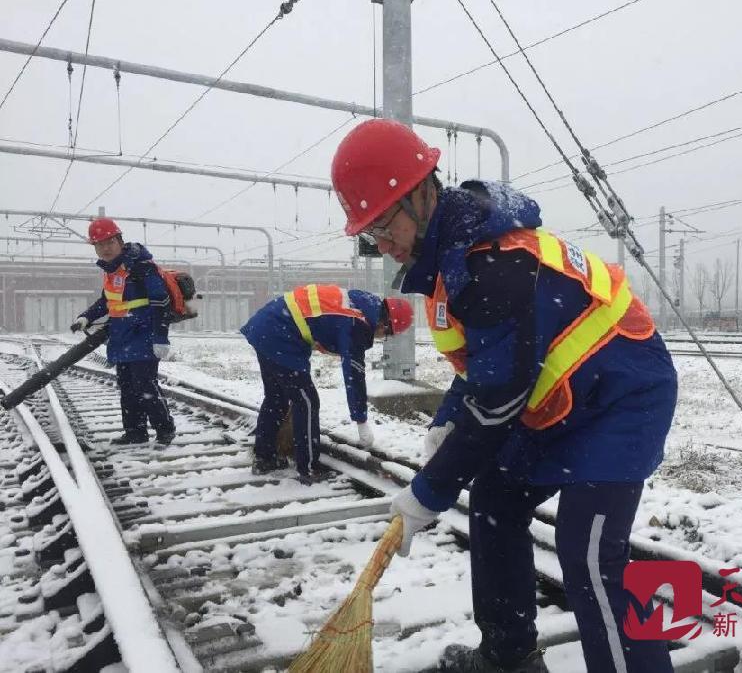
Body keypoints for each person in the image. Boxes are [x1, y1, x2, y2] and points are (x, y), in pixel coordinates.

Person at [331, 119, 679, 673]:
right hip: (562, 400)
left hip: (623, 398)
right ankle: (509, 655)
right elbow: (484, 369)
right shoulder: (455, 259)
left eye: (384, 224)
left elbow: (498, 400)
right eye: (369, 234)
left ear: (423, 191)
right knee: (495, 497)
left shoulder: (493, 265)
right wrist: (445, 421)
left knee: (589, 554)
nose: (382, 243)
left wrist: (430, 489)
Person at [240, 284, 413, 480]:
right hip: (281, 334)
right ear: (385, 324)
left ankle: (264, 458)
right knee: (306, 401)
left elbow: (327, 325)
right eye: (388, 335)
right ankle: (308, 467)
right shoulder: (358, 324)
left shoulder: (361, 303)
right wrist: (361, 420)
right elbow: (354, 375)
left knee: (276, 398)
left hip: (267, 325)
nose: (383, 338)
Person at [71, 217, 176, 447]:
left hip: (143, 334)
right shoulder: (111, 270)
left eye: (109, 242)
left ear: (120, 240)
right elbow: (106, 300)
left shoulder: (141, 266)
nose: (105, 248)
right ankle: (135, 432)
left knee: (145, 385)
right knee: (127, 388)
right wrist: (87, 317)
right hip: (121, 337)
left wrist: (160, 337)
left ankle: (165, 429)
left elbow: (160, 300)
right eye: (99, 244)